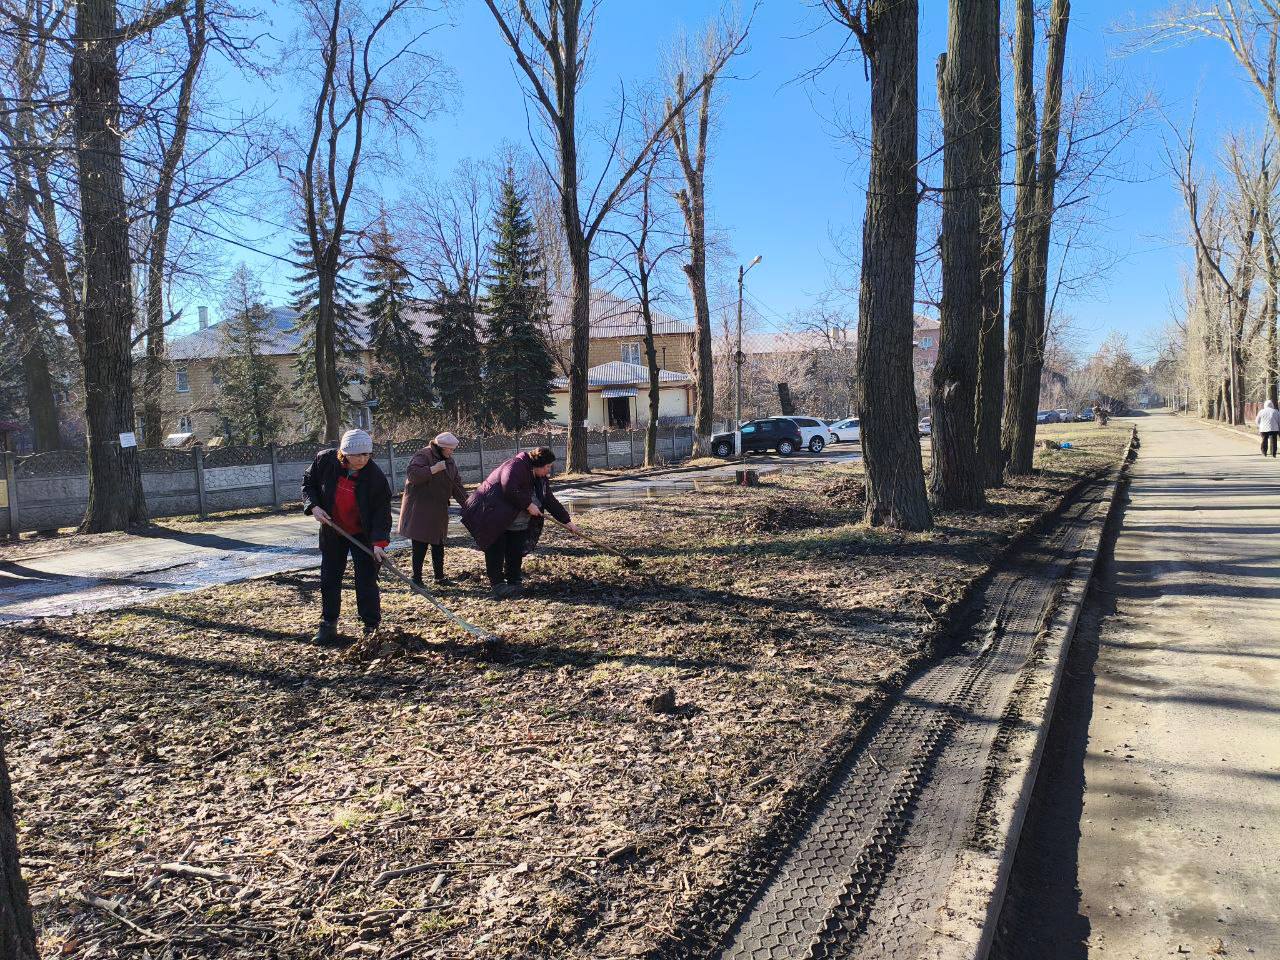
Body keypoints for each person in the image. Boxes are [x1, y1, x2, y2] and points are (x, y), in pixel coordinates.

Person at [301, 428, 392, 643]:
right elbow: (308, 483)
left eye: (367, 454)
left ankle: (371, 627)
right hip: (333, 530)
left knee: (366, 580)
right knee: (330, 578)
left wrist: (379, 543)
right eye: (358, 455)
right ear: (344, 453)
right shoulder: (325, 462)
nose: (363, 459)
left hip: (363, 534)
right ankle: (328, 624)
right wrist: (312, 506)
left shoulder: (375, 476)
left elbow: (382, 512)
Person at [461, 445, 580, 598]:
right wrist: (528, 505)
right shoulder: (516, 466)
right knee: (495, 549)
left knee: (515, 550)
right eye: (547, 467)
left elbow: (549, 499)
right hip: (492, 514)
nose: (548, 471)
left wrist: (567, 521)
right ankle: (497, 584)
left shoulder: (540, 478)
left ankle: (514, 581)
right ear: (538, 464)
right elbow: (509, 487)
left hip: (516, 521)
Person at [398, 432, 468, 585]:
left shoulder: (449, 461)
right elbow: (413, 475)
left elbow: (456, 485)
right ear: (441, 447)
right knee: (420, 545)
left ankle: (439, 577)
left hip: (438, 509)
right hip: (420, 510)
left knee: (438, 543)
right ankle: (416, 579)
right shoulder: (423, 456)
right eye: (450, 449)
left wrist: (468, 504)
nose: (452, 452)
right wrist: (432, 469)